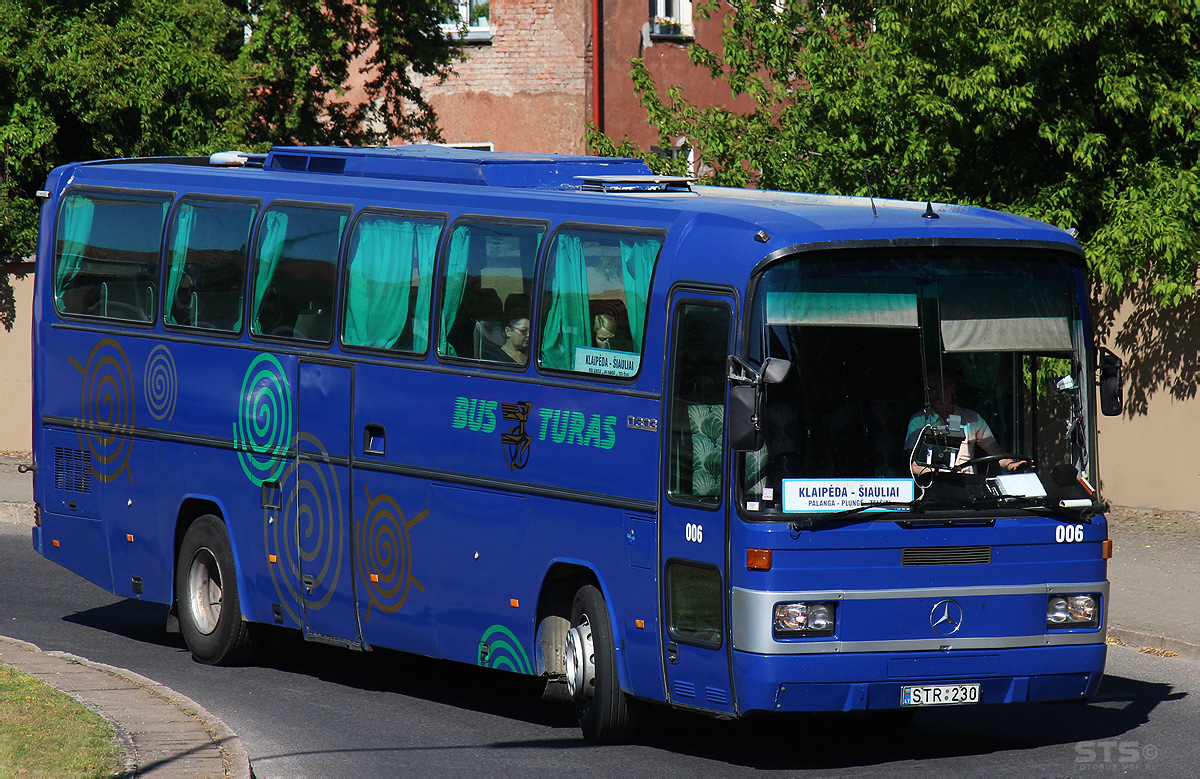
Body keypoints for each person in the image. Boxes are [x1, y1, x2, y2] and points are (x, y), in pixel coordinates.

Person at [905, 371, 1026, 476]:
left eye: (941, 386)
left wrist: (1011, 464)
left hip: (969, 486)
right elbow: (914, 465)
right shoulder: (918, 421)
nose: (936, 392)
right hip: (937, 486)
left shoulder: (971, 419)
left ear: (952, 387)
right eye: (931, 388)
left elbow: (995, 452)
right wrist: (943, 473)